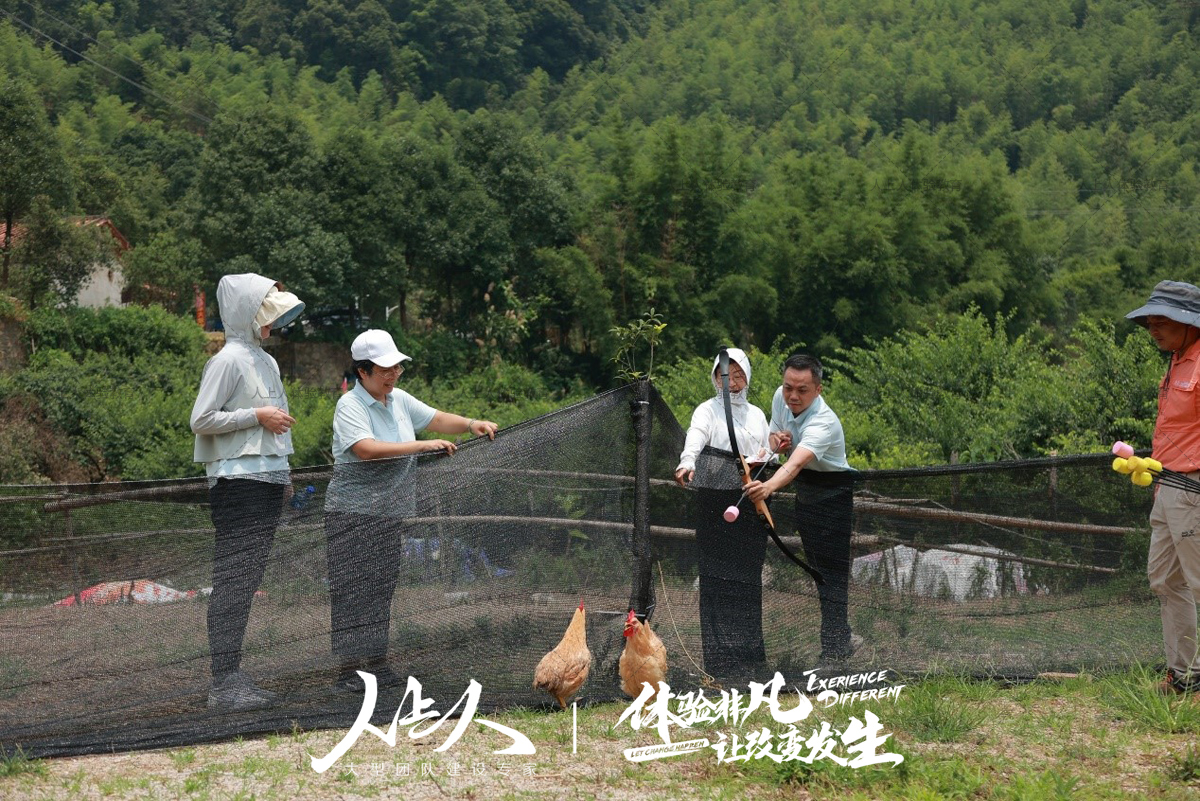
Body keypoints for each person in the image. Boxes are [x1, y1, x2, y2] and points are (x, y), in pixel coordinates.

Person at [325, 329, 499, 693]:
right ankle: (348, 671)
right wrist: (420, 446)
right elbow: (366, 449)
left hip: (389, 514)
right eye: (385, 369)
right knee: (352, 590)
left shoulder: (398, 399)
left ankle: (377, 664)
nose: (393, 374)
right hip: (351, 514)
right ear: (363, 371)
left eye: (397, 367)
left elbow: (436, 419)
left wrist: (471, 424)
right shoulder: (350, 406)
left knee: (381, 588)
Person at [190, 274, 305, 711]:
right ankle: (223, 682)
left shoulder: (267, 361)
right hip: (237, 484)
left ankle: (233, 674)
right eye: (264, 314)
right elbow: (201, 420)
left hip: (268, 481)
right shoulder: (226, 361)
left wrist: (285, 476)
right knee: (233, 581)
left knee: (248, 581)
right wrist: (254, 416)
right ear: (244, 313)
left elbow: (280, 425)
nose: (270, 324)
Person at [746, 353, 859, 663]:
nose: (792, 396)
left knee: (831, 575)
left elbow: (794, 464)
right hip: (806, 492)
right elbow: (773, 441)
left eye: (802, 390)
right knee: (817, 571)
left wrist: (767, 487)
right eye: (788, 387)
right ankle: (843, 637)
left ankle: (834, 652)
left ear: (818, 390)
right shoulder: (780, 398)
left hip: (834, 494)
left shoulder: (825, 422)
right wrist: (776, 441)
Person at [675, 348, 772, 680]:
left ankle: (751, 660)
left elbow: (765, 453)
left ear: (747, 376)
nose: (732, 381)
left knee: (748, 580)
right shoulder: (707, 410)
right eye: (724, 375)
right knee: (716, 579)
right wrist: (687, 462)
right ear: (716, 377)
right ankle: (721, 664)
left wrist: (769, 453)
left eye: (738, 374)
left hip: (751, 502)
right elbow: (696, 437)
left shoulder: (757, 414)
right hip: (715, 504)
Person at [1126, 280, 1200, 695]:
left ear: (1188, 322)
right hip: (1167, 484)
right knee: (1165, 580)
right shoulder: (1177, 361)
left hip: (1194, 487)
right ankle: (1186, 676)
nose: (1152, 329)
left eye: (1161, 321)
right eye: (1149, 322)